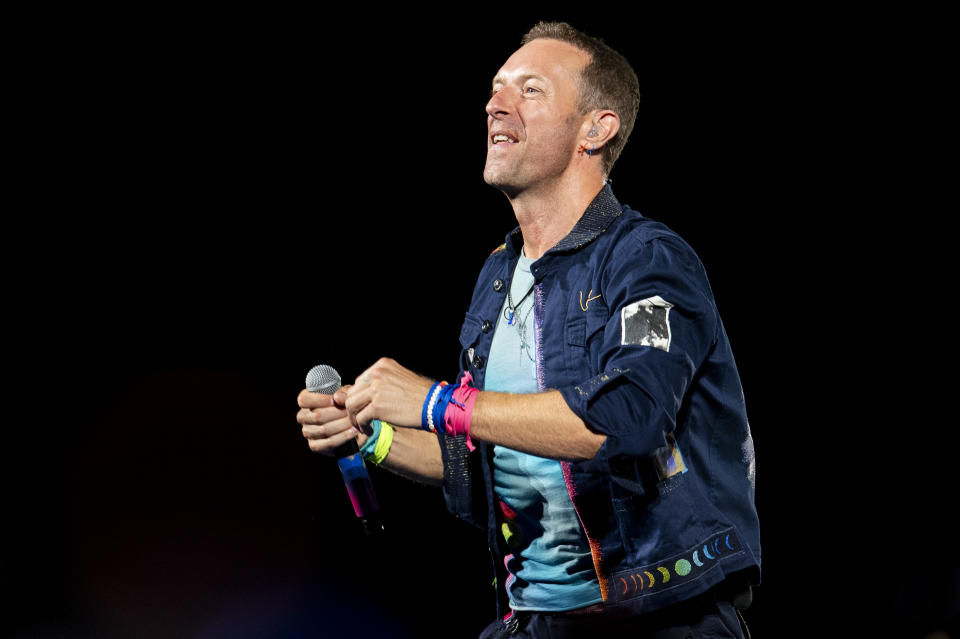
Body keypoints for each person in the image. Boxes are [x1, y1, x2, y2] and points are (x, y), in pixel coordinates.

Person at [298, 21, 760, 639]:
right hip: (534, 623)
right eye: (495, 88)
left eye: (531, 90)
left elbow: (629, 417)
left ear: (596, 129)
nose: (495, 103)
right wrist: (373, 438)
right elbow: (485, 455)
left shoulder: (648, 260)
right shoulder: (497, 275)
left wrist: (437, 402)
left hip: (658, 618)